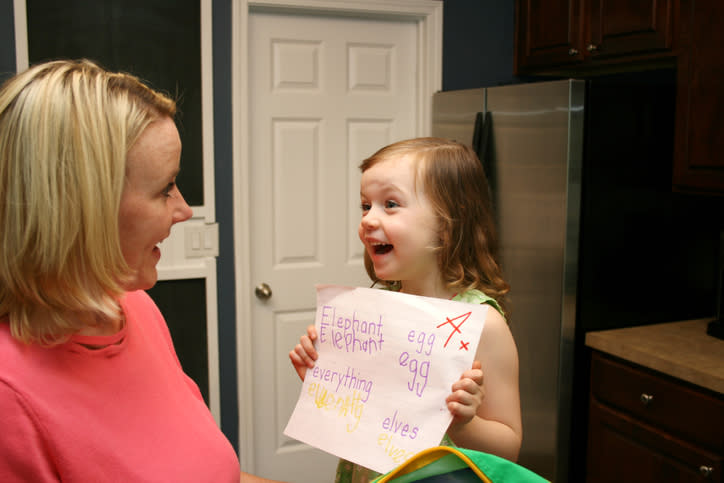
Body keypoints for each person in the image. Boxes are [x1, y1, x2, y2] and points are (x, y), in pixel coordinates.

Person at [0, 59, 278, 483]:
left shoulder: (135, 308)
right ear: (82, 209)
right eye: (165, 189)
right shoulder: (10, 400)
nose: (184, 210)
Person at [289, 137, 522, 482]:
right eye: (366, 206)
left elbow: (510, 449)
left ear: (447, 224)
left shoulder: (483, 325)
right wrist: (327, 385)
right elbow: (368, 418)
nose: (369, 219)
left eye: (391, 204)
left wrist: (465, 424)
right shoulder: (378, 313)